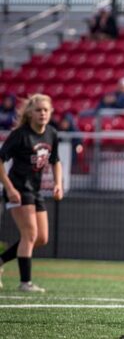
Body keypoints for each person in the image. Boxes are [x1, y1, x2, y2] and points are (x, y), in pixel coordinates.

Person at [0, 94, 63, 293]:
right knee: (29, 234)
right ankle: (25, 282)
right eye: (38, 110)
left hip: (35, 191)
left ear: (51, 112)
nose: (42, 113)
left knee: (41, 238)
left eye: (46, 110)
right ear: (30, 113)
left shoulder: (51, 133)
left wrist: (58, 184)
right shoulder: (21, 134)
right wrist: (9, 188)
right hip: (18, 188)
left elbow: (55, 161)